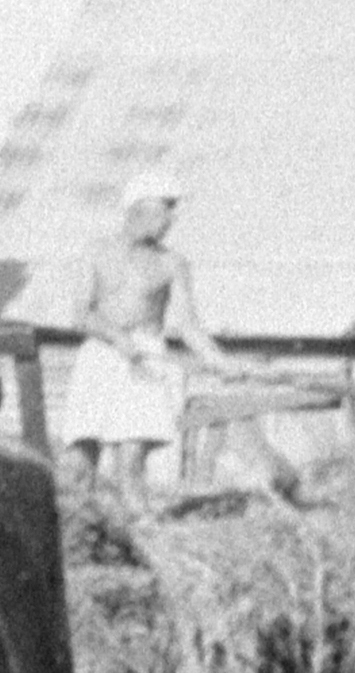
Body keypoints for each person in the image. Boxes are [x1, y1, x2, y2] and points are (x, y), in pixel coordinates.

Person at [67, 169, 236, 482]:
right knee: (81, 457)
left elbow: (188, 325)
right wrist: (116, 338)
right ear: (137, 210)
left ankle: (135, 524)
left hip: (146, 357)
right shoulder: (96, 252)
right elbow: (81, 314)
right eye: (164, 210)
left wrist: (217, 360)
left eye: (172, 211)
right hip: (100, 353)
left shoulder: (172, 263)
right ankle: (80, 522)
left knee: (131, 459)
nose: (170, 220)